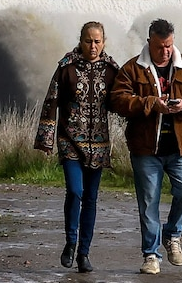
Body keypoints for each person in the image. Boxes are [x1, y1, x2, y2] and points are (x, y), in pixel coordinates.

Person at [109, 18, 182, 275]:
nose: (165, 51)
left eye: (168, 46)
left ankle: (172, 234)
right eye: (160, 47)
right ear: (149, 42)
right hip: (146, 149)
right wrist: (150, 103)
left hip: (180, 147)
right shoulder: (133, 69)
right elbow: (118, 101)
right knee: (148, 202)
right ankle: (151, 256)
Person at [34, 21, 120, 274]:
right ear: (80, 40)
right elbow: (51, 101)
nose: (92, 46)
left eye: (97, 41)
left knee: (91, 199)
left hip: (99, 144)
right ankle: (70, 243)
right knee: (75, 191)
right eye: (88, 41)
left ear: (104, 42)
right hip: (69, 141)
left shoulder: (111, 70)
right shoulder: (66, 67)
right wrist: (46, 138)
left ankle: (84, 253)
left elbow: (121, 102)